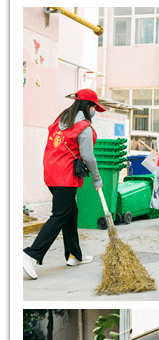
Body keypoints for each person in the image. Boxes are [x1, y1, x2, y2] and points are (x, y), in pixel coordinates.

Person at [23, 88, 105, 280]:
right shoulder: (83, 127)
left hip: (51, 173)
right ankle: (31, 255)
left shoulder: (61, 120)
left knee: (70, 212)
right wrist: (96, 178)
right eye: (94, 107)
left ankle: (74, 254)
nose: (94, 111)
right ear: (88, 106)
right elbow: (88, 157)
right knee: (60, 215)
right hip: (65, 177)